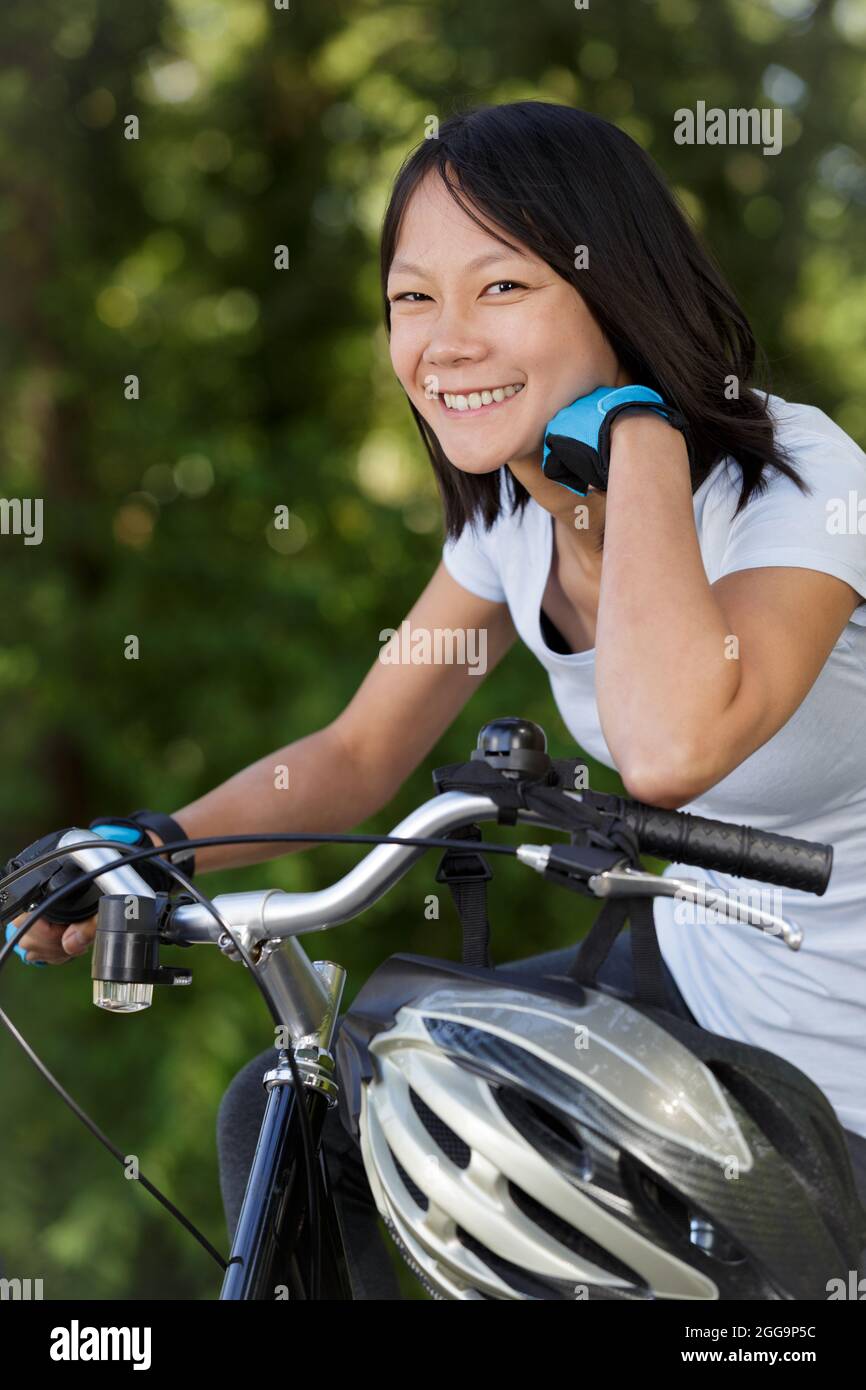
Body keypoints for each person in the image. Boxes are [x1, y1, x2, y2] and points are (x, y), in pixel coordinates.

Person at [14, 102, 866, 1298]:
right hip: (696, 991)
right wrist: (153, 846)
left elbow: (671, 746)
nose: (443, 341)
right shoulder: (511, 528)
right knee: (294, 1104)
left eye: (502, 288)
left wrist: (640, 440)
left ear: (615, 289)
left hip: (844, 1066)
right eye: (412, 299)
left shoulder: (799, 485)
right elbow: (359, 753)